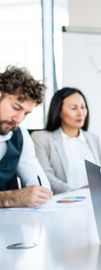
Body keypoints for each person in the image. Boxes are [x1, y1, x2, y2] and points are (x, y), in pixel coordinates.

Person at [31, 87, 101, 194]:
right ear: (59, 111)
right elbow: (46, 176)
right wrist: (76, 192)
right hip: (63, 201)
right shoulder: (41, 138)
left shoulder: (95, 139)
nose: (80, 113)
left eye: (83, 107)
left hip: (94, 200)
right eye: (74, 108)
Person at [0, 66, 52, 208]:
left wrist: (39, 194)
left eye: (26, 113)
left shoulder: (20, 136)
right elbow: (13, 199)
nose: (19, 119)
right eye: (16, 108)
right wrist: (10, 198)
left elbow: (39, 182)